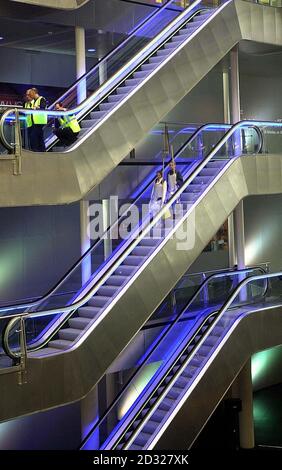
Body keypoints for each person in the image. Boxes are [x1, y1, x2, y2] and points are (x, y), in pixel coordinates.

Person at [28, 87, 47, 152]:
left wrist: (37, 107)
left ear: (34, 93)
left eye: (31, 95)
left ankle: (38, 151)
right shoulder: (34, 101)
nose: (30, 97)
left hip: (39, 122)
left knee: (35, 137)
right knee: (38, 138)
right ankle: (41, 151)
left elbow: (43, 108)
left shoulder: (42, 99)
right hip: (35, 122)